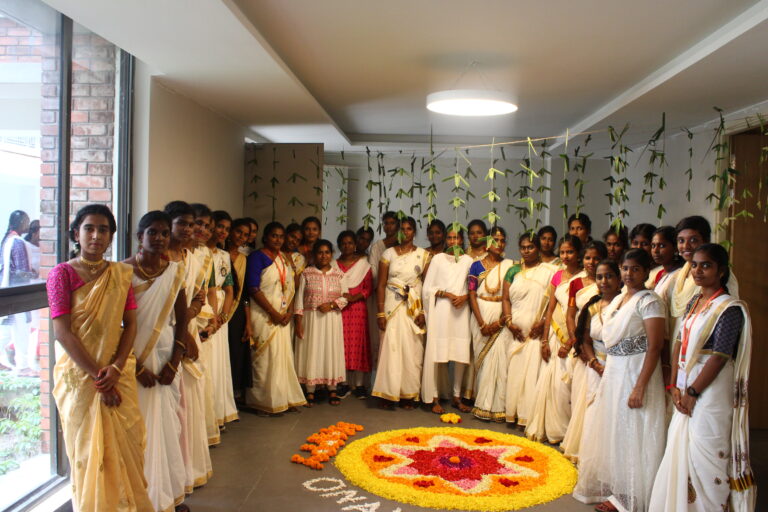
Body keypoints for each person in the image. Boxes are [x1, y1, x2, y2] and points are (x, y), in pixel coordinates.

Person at [47, 204, 153, 511]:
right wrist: (99, 377)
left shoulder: (120, 274)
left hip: (117, 372)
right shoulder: (61, 274)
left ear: (111, 236)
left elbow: (130, 324)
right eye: (89, 228)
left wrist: (116, 368)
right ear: (76, 234)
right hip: (80, 379)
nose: (96, 235)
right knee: (85, 454)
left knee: (128, 447)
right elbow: (63, 333)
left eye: (103, 230)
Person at [649, 244, 755, 512]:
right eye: (694, 264)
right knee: (681, 453)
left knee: (706, 457)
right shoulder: (694, 302)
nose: (698, 270)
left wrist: (693, 392)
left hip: (710, 394)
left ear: (721, 271)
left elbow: (719, 357)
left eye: (706, 265)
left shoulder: (729, 309)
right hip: (684, 388)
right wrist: (673, 385)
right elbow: (678, 344)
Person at [574, 249, 667, 512]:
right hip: (615, 370)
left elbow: (655, 346)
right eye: (625, 268)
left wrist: (640, 386)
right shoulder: (618, 301)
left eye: (635, 269)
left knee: (635, 431)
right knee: (616, 431)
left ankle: (634, 496)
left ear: (646, 271)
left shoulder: (649, 301)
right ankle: (620, 491)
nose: (628, 274)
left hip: (637, 372)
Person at [126, 211, 189, 512]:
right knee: (138, 431)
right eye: (153, 232)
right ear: (140, 236)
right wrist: (135, 367)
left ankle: (169, 496)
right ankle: (140, 499)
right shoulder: (122, 272)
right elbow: (116, 326)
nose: (160, 238)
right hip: (132, 358)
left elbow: (183, 320)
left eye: (164, 233)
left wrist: (174, 362)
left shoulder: (175, 272)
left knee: (167, 428)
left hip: (165, 357)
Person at [164, 200, 212, 492]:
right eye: (182, 224)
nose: (190, 229)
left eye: (192, 224)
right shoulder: (162, 257)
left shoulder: (192, 258)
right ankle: (172, 474)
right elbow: (165, 303)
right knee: (174, 406)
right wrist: (186, 333)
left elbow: (199, 296)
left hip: (186, 329)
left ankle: (187, 469)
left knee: (188, 402)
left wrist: (191, 319)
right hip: (166, 335)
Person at [525, 235, 584, 443]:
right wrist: (543, 340)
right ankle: (552, 428)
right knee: (551, 383)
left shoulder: (585, 278)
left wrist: (572, 340)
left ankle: (569, 432)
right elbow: (549, 310)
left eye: (570, 252)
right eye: (562, 252)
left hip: (575, 335)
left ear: (579, 253)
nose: (566, 256)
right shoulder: (558, 276)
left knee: (568, 385)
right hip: (554, 334)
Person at [245, 222, 306, 413]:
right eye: (274, 236)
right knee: (264, 360)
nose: (278, 240)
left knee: (282, 358)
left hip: (282, 315)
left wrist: (287, 312)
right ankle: (261, 402)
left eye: (281, 236)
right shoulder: (257, 257)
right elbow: (253, 288)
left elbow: (289, 288)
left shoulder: (284, 259)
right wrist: (274, 313)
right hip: (263, 315)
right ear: (265, 238)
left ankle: (282, 398)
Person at [372, 217, 430, 409]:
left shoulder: (423, 255)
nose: (405, 232)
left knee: (412, 349)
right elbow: (380, 284)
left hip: (413, 307)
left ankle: (408, 394)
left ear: (414, 232)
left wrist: (423, 311)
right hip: (392, 305)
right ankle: (388, 394)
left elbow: (427, 285)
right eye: (402, 229)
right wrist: (380, 313)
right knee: (391, 348)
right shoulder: (388, 253)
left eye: (409, 229)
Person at [572, 260, 622, 469]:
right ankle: (592, 459)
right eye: (600, 277)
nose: (604, 281)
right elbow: (584, 339)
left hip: (619, 367)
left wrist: (609, 366)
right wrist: (594, 362)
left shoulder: (625, 305)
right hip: (596, 366)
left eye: (609, 276)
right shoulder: (592, 306)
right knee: (594, 411)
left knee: (614, 413)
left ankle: (612, 462)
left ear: (619, 279)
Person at [561, 240, 608, 460]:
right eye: (588, 258)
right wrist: (576, 341)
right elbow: (571, 314)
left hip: (600, 345)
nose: (591, 262)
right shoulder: (576, 283)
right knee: (578, 393)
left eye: (596, 258)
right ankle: (578, 442)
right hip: (581, 343)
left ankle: (593, 448)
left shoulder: (609, 282)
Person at [503, 232, 554, 425]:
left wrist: (542, 323)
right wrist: (509, 322)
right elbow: (506, 298)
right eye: (523, 247)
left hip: (535, 332)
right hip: (516, 331)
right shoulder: (512, 270)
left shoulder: (548, 271)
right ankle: (513, 413)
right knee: (515, 373)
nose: (526, 251)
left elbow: (552, 301)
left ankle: (528, 416)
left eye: (530, 247)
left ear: (538, 248)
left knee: (532, 374)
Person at [421, 226, 473, 413]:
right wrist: (445, 293)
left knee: (460, 355)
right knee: (438, 354)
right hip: (442, 311)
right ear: (446, 240)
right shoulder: (438, 259)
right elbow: (427, 289)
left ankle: (456, 396)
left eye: (457, 238)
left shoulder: (468, 261)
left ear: (462, 240)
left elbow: (474, 287)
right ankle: (434, 396)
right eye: (450, 238)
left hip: (461, 311)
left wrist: (465, 297)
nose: (453, 242)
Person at [668, 216, 739, 345]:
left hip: (706, 346)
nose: (686, 246)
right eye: (681, 240)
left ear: (705, 241)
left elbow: (727, 310)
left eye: (693, 240)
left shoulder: (721, 274)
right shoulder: (680, 275)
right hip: (679, 341)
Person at [295, 240, 348, 406]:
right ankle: (310, 390)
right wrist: (298, 322)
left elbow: (346, 298)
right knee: (312, 352)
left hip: (332, 320)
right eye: (320, 252)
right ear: (314, 255)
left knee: (330, 352)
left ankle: (332, 389)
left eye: (327, 252)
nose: (324, 256)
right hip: (312, 321)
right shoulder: (306, 274)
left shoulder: (339, 274)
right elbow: (298, 300)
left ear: (331, 254)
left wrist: (331, 305)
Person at [190, 203, 219, 447]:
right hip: (186, 318)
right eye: (198, 223)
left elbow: (210, 289)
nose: (203, 230)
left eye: (208, 226)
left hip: (204, 317)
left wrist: (213, 317)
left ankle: (200, 434)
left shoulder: (207, 254)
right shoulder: (178, 255)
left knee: (203, 377)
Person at [207, 211, 238, 427]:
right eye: (219, 226)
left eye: (226, 229)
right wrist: (211, 316)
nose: (223, 232)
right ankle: (206, 415)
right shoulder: (199, 253)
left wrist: (223, 316)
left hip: (220, 313)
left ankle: (219, 412)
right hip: (204, 311)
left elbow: (229, 290)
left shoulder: (224, 256)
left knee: (219, 362)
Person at [335, 230, 373, 398]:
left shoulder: (364, 265)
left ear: (355, 244)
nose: (347, 246)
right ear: (339, 245)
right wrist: (342, 299)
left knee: (358, 345)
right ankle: (343, 383)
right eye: (343, 243)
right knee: (340, 345)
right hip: (339, 309)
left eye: (350, 243)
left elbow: (368, 288)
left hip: (357, 309)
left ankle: (358, 385)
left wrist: (353, 297)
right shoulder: (333, 265)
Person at [0, 210, 34, 374]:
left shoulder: (7, 239)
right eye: (26, 221)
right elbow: (21, 271)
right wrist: (35, 274)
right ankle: (23, 365)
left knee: (9, 329)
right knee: (21, 330)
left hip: (8, 289)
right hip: (18, 292)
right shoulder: (18, 242)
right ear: (21, 223)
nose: (28, 224)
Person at [225, 218, 252, 403]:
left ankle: (232, 396)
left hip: (237, 313)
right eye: (239, 232)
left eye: (245, 235)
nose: (241, 237)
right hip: (217, 309)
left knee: (235, 353)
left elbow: (245, 294)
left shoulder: (244, 260)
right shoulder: (218, 255)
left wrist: (248, 322)